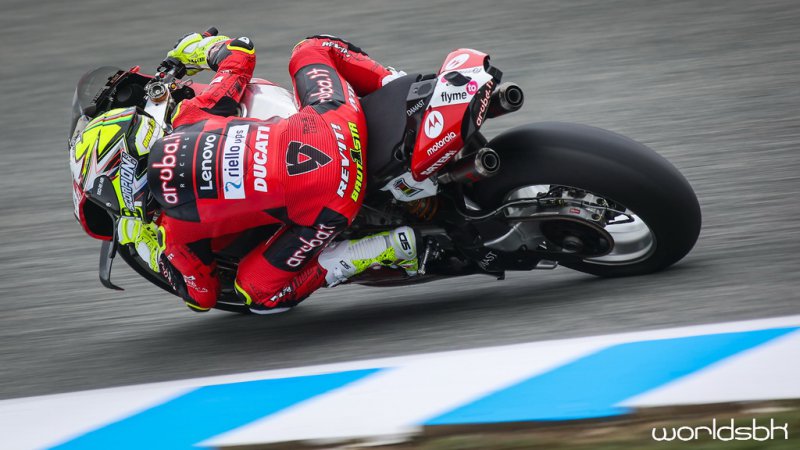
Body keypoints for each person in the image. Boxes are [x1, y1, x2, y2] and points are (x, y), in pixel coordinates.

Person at [70, 31, 418, 314]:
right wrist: (193, 52)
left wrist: (149, 245)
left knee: (258, 294)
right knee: (311, 47)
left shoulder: (174, 233)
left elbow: (202, 296)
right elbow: (240, 54)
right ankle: (399, 89)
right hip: (336, 121)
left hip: (333, 203)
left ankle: (384, 247)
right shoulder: (191, 113)